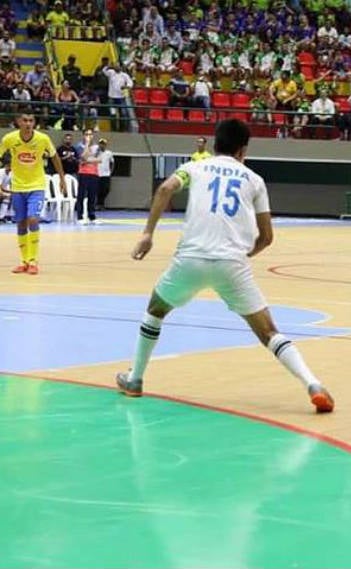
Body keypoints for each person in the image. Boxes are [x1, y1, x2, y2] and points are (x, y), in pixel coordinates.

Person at [115, 119, 334, 413]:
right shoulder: (254, 179)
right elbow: (267, 237)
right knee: (269, 332)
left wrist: (147, 234)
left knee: (155, 310)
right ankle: (313, 384)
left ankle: (135, 379)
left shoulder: (195, 167)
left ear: (214, 143)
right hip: (232, 264)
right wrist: (239, 257)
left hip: (190, 259)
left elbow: (166, 189)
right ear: (243, 150)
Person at [1, 112, 66, 275]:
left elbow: (54, 157)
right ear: (18, 122)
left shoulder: (42, 139)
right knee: (21, 222)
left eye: (31, 120)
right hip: (17, 187)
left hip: (36, 186)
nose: (28, 123)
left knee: (32, 219)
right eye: (25, 120)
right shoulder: (9, 139)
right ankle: (24, 261)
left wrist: (62, 178)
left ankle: (33, 260)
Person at [75, 129, 100, 224]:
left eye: (90, 134)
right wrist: (87, 144)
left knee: (92, 196)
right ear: (83, 136)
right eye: (86, 134)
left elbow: (98, 160)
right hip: (83, 173)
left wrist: (87, 160)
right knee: (81, 195)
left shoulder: (97, 147)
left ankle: (92, 216)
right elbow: (83, 157)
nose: (89, 136)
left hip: (94, 173)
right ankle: (80, 217)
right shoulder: (79, 146)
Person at [96, 138, 114, 209]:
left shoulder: (109, 153)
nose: (102, 145)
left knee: (106, 189)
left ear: (105, 145)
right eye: (101, 144)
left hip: (106, 174)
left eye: (103, 144)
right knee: (98, 190)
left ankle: (101, 203)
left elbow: (112, 162)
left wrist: (110, 172)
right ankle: (98, 204)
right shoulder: (96, 153)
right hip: (97, 174)